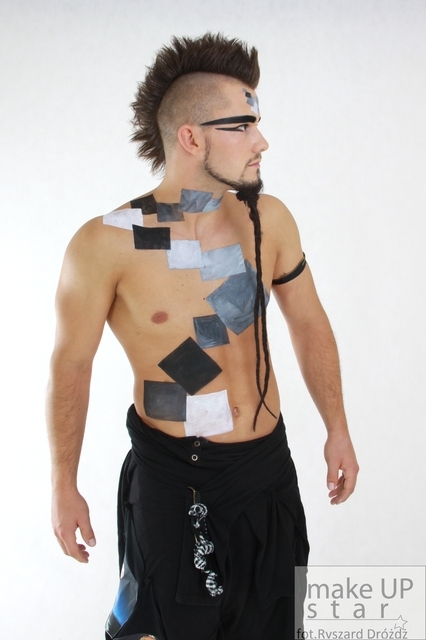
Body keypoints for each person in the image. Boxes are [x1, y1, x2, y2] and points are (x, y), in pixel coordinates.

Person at [46, 33, 359, 640]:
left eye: (257, 123)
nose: (261, 141)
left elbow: (309, 323)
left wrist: (337, 426)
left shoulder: (267, 219)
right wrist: (63, 484)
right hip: (175, 479)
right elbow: (70, 369)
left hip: (267, 471)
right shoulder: (104, 244)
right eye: (242, 125)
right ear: (191, 137)